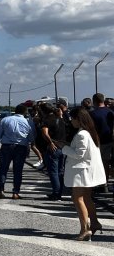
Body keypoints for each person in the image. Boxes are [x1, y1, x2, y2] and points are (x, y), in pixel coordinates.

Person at [61, 107, 107, 241]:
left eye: (72, 118)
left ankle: (85, 229)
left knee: (78, 199)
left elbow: (78, 154)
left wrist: (64, 148)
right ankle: (94, 222)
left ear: (78, 119)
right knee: (86, 198)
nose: (71, 121)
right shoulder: (89, 132)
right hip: (87, 171)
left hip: (81, 172)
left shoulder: (82, 134)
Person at [0, 104, 35, 199]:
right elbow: (31, 137)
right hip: (21, 147)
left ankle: (0, 191)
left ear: (15, 111)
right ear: (25, 112)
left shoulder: (5, 120)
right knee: (18, 171)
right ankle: (15, 192)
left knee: (3, 169)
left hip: (6, 146)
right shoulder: (28, 122)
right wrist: (29, 146)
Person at [40, 103, 67, 201]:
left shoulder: (47, 120)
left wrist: (50, 142)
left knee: (53, 172)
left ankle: (56, 193)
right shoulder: (61, 119)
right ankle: (59, 193)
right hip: (63, 147)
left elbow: (44, 133)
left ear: (43, 111)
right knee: (60, 171)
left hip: (53, 147)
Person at [89, 93, 114, 191]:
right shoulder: (110, 112)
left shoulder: (93, 114)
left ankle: (98, 184)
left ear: (94, 101)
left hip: (97, 142)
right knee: (106, 163)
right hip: (109, 141)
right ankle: (105, 184)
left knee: (96, 164)